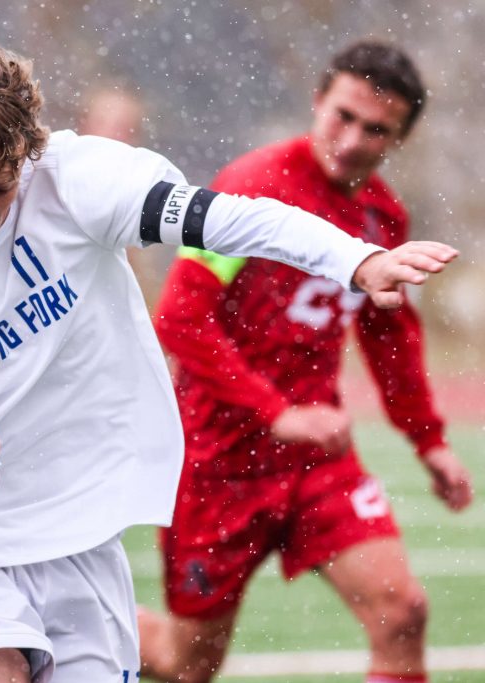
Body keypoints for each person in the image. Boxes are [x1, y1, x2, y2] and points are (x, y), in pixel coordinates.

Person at [0, 36, 457, 683]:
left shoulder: (77, 179)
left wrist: (356, 260)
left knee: (345, 624)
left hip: (79, 529)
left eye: (1, 186)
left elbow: (232, 221)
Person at [137, 41, 474, 683]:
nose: (351, 140)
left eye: (376, 129)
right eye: (343, 116)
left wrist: (428, 440)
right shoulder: (250, 188)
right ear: (318, 101)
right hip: (218, 462)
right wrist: (275, 412)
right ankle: (57, 633)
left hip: (317, 461)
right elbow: (181, 318)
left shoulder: (382, 217)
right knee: (186, 664)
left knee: (402, 614)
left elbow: (390, 337)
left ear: (399, 138)